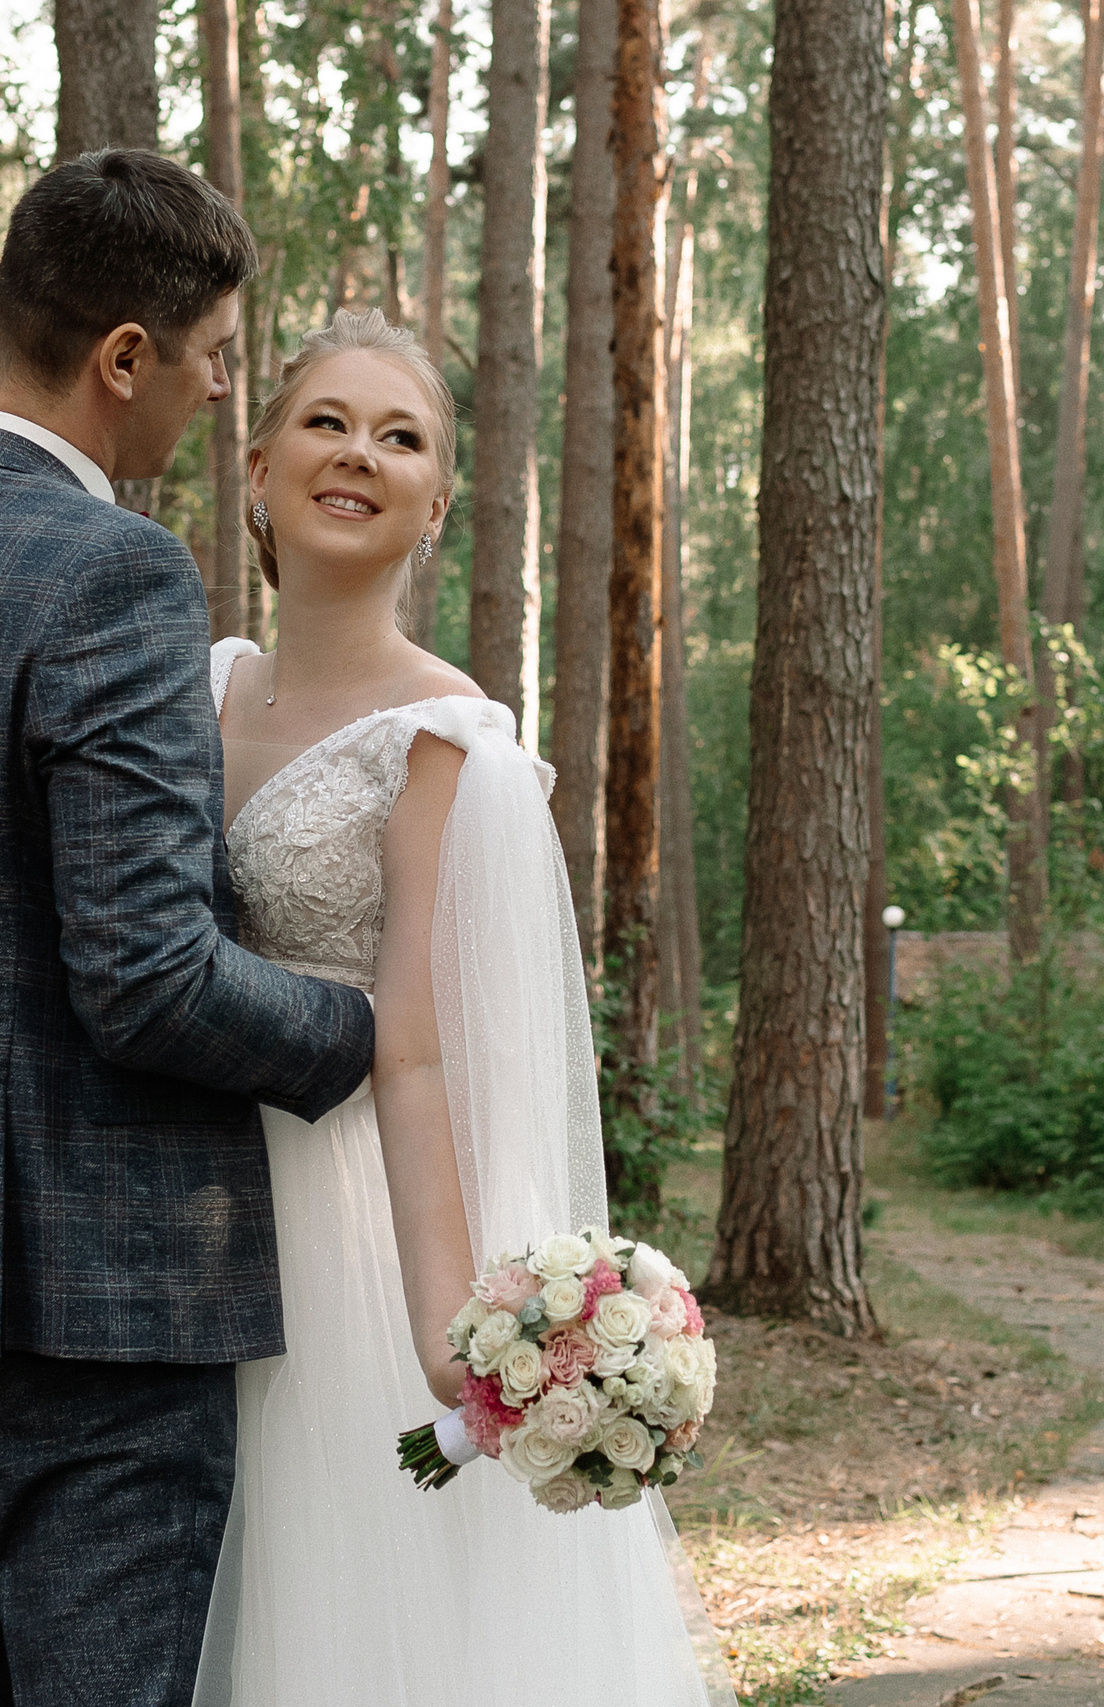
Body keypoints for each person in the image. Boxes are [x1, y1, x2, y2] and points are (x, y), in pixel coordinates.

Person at [0, 150, 377, 1706]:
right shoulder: (114, 572)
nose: (220, 399)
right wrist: (361, 1029)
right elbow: (147, 978)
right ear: (124, 358)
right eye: (214, 360)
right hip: (95, 1303)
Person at [190, 307, 735, 1706]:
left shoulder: (448, 743)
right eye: (325, 421)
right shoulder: (200, 686)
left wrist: (458, 1339)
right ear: (256, 465)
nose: (356, 452)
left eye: (401, 436)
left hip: (344, 1228)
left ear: (436, 506)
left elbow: (430, 1056)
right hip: (172, 1202)